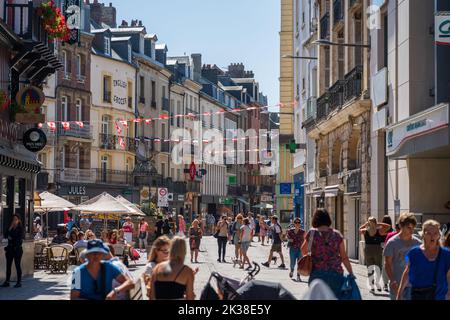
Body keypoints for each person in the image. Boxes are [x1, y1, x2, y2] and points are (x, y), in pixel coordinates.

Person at [300, 209, 354, 299]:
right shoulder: (337, 235)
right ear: (328, 220)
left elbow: (303, 249)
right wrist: (351, 273)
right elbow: (344, 257)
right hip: (335, 274)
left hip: (317, 274)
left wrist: (310, 259)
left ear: (315, 219)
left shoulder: (312, 233)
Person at [397, 220, 450, 300]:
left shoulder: (446, 254)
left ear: (439, 235)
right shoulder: (414, 252)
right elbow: (407, 272)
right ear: (423, 235)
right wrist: (399, 293)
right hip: (418, 295)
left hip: (439, 296)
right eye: (428, 233)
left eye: (435, 233)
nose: (432, 236)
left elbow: (449, 276)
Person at [383, 212, 422, 300]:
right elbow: (387, 264)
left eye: (413, 228)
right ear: (401, 226)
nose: (411, 231)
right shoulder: (392, 243)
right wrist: (392, 281)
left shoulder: (418, 243)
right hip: (396, 284)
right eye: (409, 228)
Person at [359, 216, 392, 292]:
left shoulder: (365, 230)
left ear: (368, 223)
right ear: (375, 222)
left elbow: (359, 229)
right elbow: (388, 226)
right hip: (377, 249)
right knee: (378, 267)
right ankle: (377, 282)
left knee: (369, 267)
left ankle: (371, 286)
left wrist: (365, 224)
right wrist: (377, 224)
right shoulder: (379, 231)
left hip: (368, 249)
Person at [1, 215, 24, 288]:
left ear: (18, 220)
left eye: (16, 219)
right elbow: (5, 235)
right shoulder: (10, 228)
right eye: (13, 220)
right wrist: (10, 228)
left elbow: (18, 239)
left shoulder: (20, 229)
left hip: (17, 250)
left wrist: (11, 237)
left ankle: (19, 282)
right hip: (10, 249)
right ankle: (7, 281)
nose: (14, 221)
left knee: (17, 265)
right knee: (8, 266)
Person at [381, 215, 394, 292]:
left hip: (383, 249)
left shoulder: (380, 230)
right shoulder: (392, 230)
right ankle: (390, 281)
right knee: (391, 266)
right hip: (391, 250)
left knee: (384, 266)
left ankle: (385, 284)